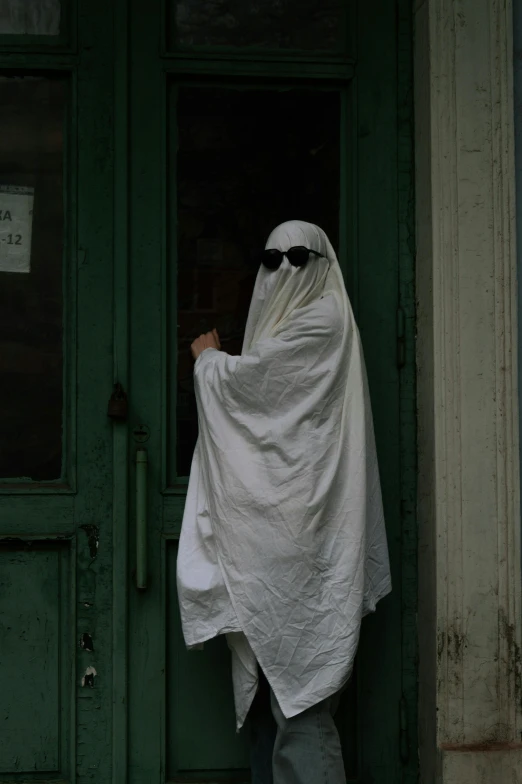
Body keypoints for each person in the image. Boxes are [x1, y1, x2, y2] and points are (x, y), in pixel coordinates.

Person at [176, 220, 391, 784]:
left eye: (299, 255)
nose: (285, 270)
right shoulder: (287, 326)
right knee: (275, 693)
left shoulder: (322, 322)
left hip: (309, 542)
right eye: (271, 260)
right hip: (271, 545)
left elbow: (253, 394)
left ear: (322, 262)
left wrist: (208, 361)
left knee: (303, 701)